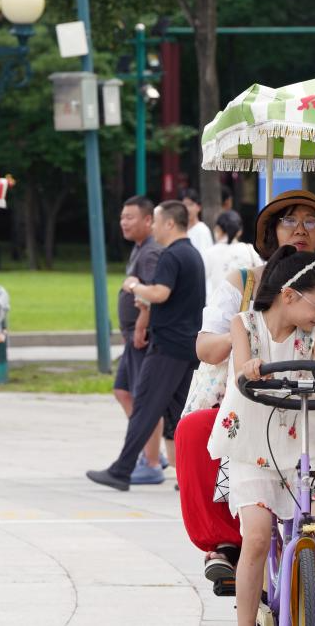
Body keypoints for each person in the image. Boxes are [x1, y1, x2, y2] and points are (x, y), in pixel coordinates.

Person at [175, 189, 315, 623]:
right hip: (256, 434)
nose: (301, 229)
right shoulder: (244, 305)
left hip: (306, 431)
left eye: (311, 222)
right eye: (290, 221)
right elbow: (225, 357)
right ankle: (232, 568)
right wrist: (248, 362)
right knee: (256, 535)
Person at [207, 246, 315, 625]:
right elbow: (243, 367)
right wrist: (251, 368)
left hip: (304, 444)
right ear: (288, 296)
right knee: (257, 538)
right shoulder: (245, 324)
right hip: (252, 446)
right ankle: (246, 620)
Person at [86, 200, 205, 491]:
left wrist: (133, 286)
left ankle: (121, 470)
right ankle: (194, 476)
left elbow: (160, 293)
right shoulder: (192, 254)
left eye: (156, 222)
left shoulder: (171, 255)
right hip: (188, 345)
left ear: (169, 223)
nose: (153, 228)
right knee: (182, 414)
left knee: (145, 408)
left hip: (168, 346)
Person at [113, 196, 166, 484]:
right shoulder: (139, 248)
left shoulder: (150, 252)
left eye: (130, 217)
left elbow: (154, 292)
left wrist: (142, 324)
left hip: (141, 337)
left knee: (145, 400)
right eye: (122, 217)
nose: (124, 222)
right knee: (123, 391)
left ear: (148, 220)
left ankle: (152, 462)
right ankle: (151, 448)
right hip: (132, 337)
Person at [202, 210, 262, 301]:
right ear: (240, 231)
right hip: (246, 306)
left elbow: (202, 281)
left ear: (218, 229)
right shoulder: (249, 250)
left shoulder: (210, 253)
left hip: (218, 305)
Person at [180, 188, 214, 253]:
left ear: (199, 207)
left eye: (190, 204)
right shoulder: (179, 229)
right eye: (184, 205)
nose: (187, 208)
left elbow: (204, 256)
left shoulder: (202, 230)